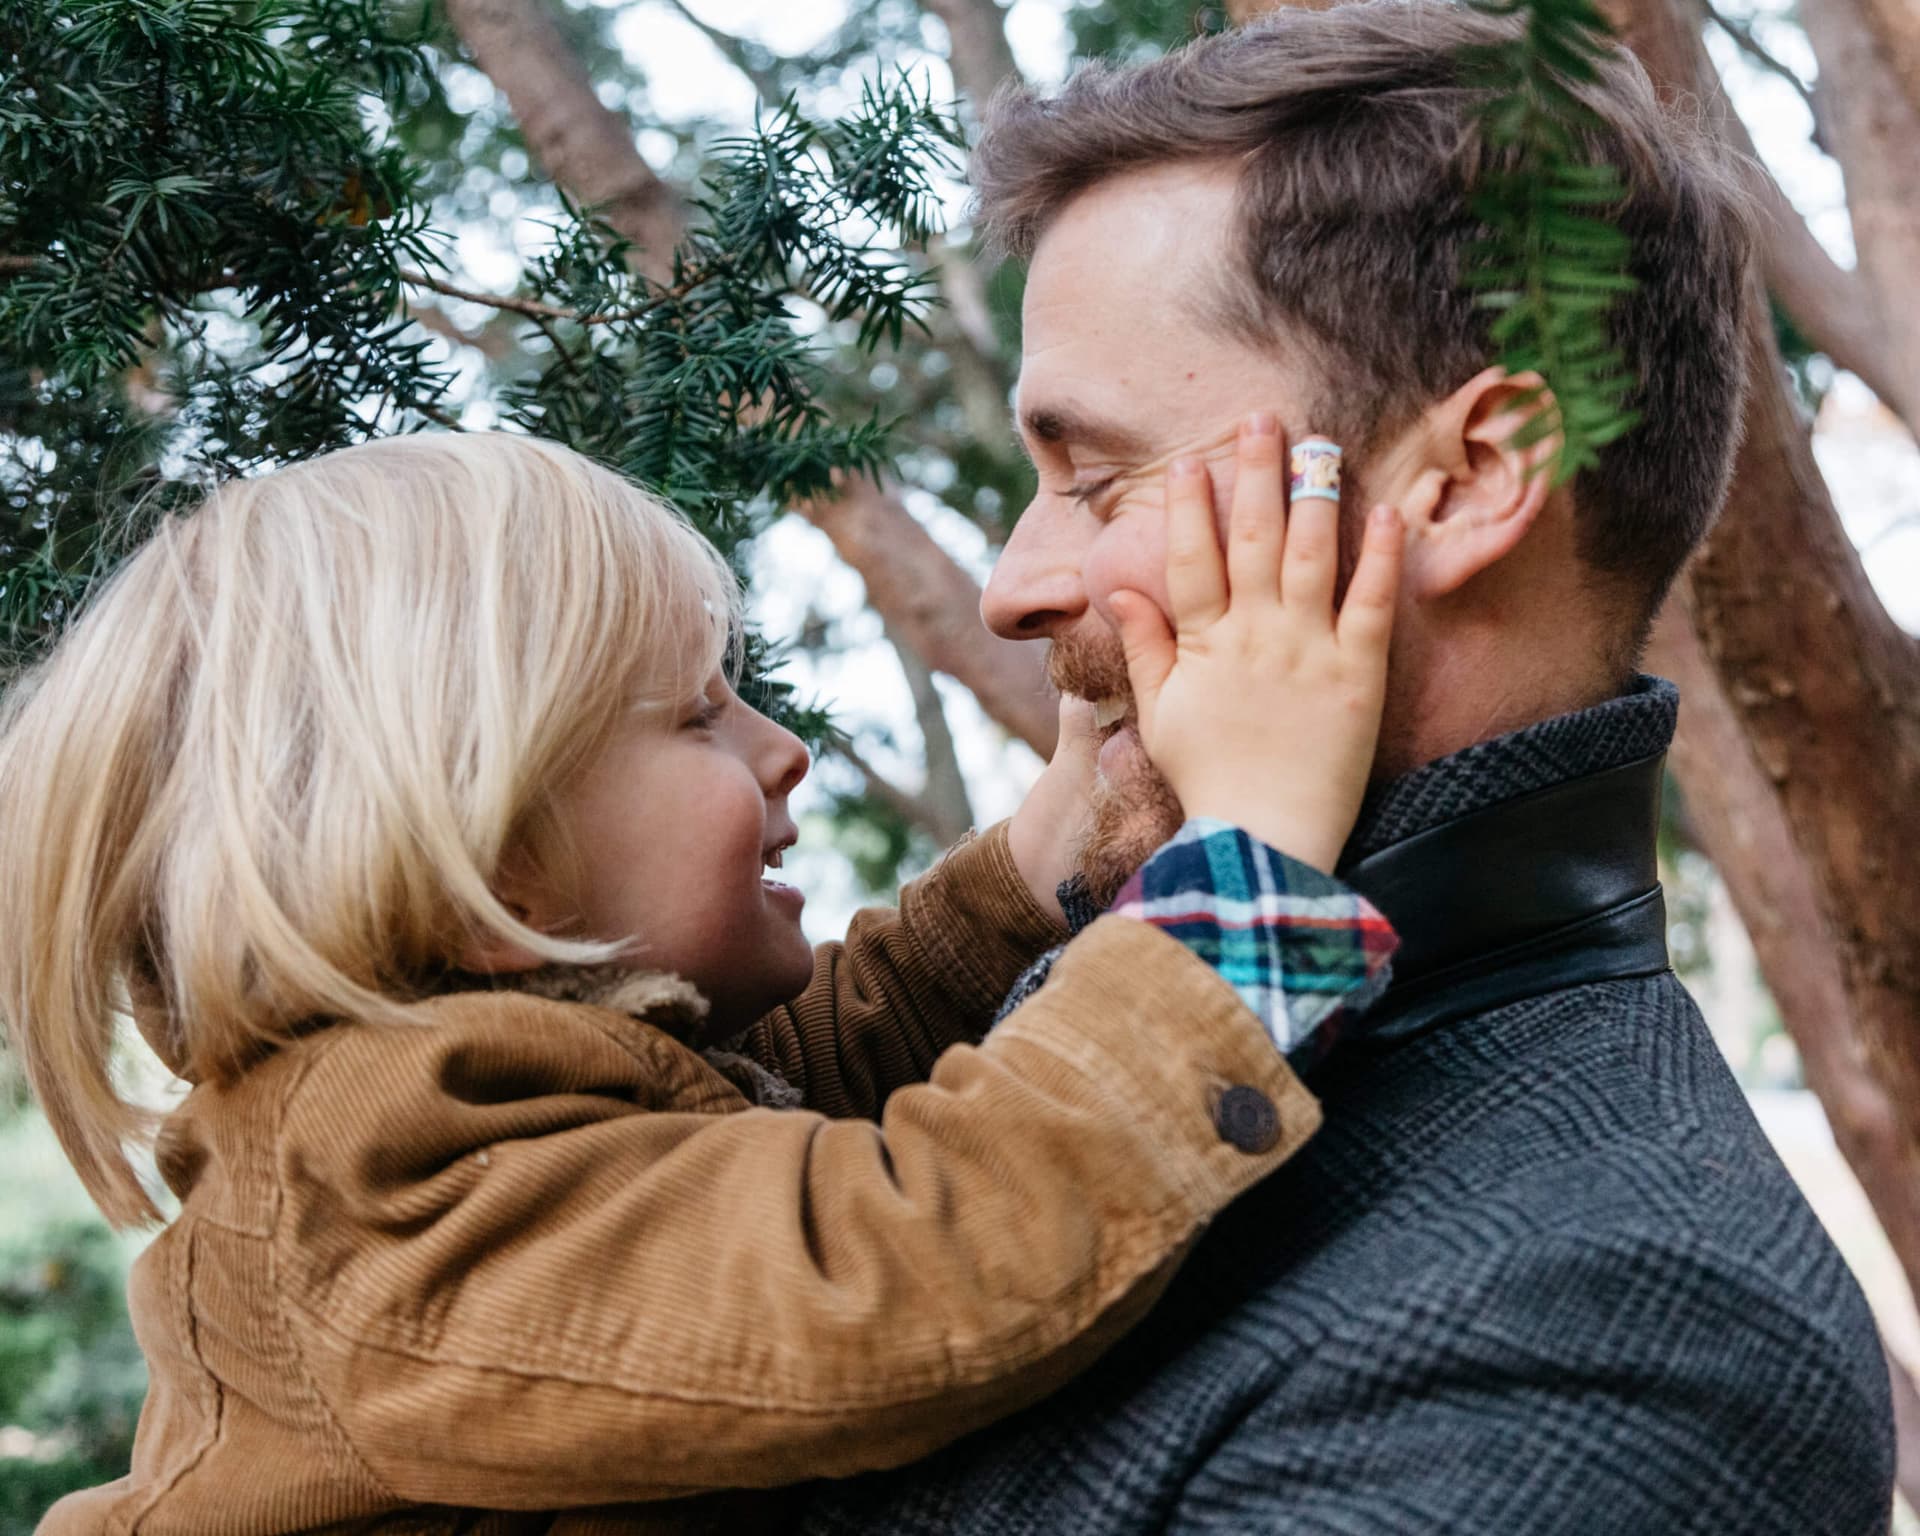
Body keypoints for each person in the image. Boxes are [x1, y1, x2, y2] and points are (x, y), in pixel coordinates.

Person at [799, 6, 1897, 1533]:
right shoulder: (1073, 1019)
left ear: (1462, 483)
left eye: (1097, 475)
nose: (1014, 585)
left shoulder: (1618, 1332)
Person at [0, 426, 1407, 1534]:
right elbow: (898, 1269)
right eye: (698, 715)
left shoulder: (527, 1087)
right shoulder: (383, 1190)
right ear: (488, 867)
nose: (783, 748)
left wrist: (1076, 805)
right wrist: (1249, 853)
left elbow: (849, 1048)